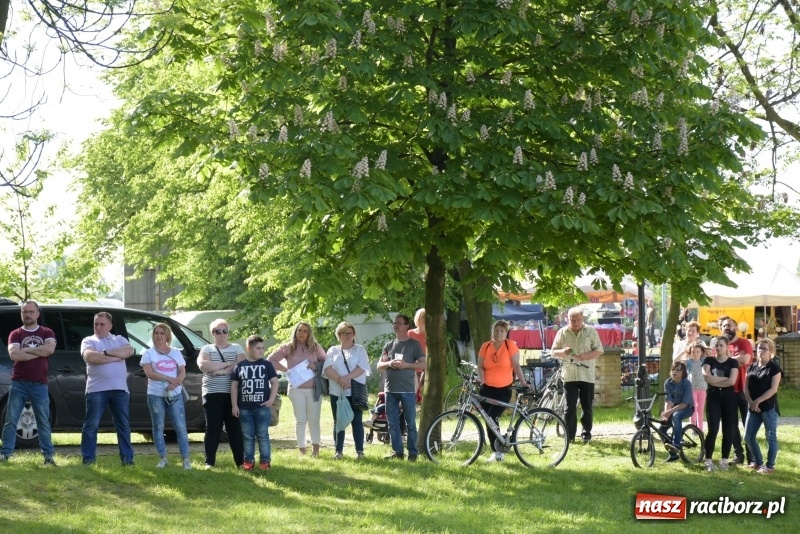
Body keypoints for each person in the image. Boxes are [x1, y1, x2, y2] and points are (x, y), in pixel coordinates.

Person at [0, 301, 57, 465]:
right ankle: (5, 454)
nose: (28, 315)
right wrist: (38, 352)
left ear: (38, 313)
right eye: (25, 312)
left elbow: (49, 350)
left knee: (43, 422)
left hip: (40, 383)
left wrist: (25, 350)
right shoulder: (15, 334)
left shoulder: (47, 332)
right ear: (21, 314)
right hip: (19, 382)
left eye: (31, 312)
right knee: (11, 420)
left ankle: (48, 457)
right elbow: (15, 355)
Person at [80, 311, 136, 466]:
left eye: (102, 324)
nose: (98, 327)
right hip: (96, 389)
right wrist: (117, 357)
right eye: (96, 324)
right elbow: (91, 358)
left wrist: (105, 353)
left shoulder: (119, 339)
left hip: (120, 389)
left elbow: (129, 351)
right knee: (91, 425)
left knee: (123, 425)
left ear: (110, 326)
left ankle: (127, 460)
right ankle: (88, 460)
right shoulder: (88, 341)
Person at [268, 321, 327, 457]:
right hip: (296, 390)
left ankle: (316, 450)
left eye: (305, 331)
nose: (302, 333)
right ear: (295, 332)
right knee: (300, 420)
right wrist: (287, 370)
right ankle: (302, 450)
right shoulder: (288, 347)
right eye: (299, 330)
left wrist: (315, 366)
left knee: (314, 420)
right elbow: (271, 360)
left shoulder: (315, 347)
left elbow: (327, 361)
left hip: (314, 389)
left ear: (309, 333)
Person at [477, 320, 532, 462]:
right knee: (489, 421)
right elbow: (480, 366)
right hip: (486, 390)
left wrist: (524, 382)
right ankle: (497, 450)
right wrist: (481, 379)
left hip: (503, 391)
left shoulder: (510, 346)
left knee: (491, 418)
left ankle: (498, 452)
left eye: (502, 331)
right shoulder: (486, 346)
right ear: (492, 331)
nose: (499, 333)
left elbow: (516, 365)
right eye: (496, 330)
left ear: (506, 332)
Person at [140, 322, 192, 470]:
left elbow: (182, 371)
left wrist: (176, 383)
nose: (159, 336)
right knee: (158, 427)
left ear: (167, 335)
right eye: (156, 333)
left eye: (162, 333)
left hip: (175, 394)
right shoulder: (148, 353)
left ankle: (186, 459)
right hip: (156, 394)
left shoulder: (175, 352)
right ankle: (163, 458)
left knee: (180, 427)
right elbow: (149, 373)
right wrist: (169, 379)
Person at [376, 314, 426, 460]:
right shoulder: (389, 345)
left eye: (399, 323)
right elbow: (379, 366)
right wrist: (389, 364)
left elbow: (423, 364)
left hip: (407, 390)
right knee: (392, 424)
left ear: (406, 326)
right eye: (394, 323)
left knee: (410, 423)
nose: (396, 325)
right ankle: (397, 452)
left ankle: (412, 453)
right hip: (390, 390)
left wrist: (407, 365)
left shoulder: (413, 344)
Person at [551, 307, 604, 443]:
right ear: (567, 319)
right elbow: (553, 351)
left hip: (586, 373)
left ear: (583, 318)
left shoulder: (591, 331)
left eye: (578, 320)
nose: (575, 322)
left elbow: (599, 350)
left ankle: (586, 433)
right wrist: (562, 351)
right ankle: (570, 435)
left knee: (587, 406)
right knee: (570, 407)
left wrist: (584, 356)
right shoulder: (562, 332)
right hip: (569, 374)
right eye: (572, 320)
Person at [197, 318, 245, 469]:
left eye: (225, 331)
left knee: (234, 428)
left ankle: (240, 462)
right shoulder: (207, 349)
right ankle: (209, 462)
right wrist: (227, 364)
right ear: (213, 333)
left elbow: (242, 365)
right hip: (212, 392)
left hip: (233, 394)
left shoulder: (236, 347)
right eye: (218, 331)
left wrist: (220, 371)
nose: (222, 334)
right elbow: (204, 365)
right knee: (213, 428)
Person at [231, 335, 279, 471]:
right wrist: (234, 405)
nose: (261, 351)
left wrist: (271, 399)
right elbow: (234, 386)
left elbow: (274, 382)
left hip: (262, 407)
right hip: (244, 408)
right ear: (249, 349)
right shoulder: (240, 366)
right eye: (258, 348)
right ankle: (248, 461)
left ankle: (265, 461)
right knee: (247, 436)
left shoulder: (266, 365)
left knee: (263, 434)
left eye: (262, 348)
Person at [324, 321, 370, 460]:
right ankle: (338, 451)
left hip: (355, 391)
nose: (347, 335)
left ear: (354, 334)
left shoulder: (359, 349)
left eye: (350, 333)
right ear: (339, 335)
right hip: (337, 392)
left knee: (357, 421)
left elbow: (362, 367)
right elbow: (327, 368)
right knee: (339, 421)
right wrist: (340, 380)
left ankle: (360, 452)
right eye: (344, 333)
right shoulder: (333, 350)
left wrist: (347, 378)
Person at [743, 338, 782, 474]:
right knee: (748, 437)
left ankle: (769, 466)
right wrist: (751, 402)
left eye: (764, 348)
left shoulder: (774, 368)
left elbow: (773, 389)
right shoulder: (751, 366)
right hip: (753, 408)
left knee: (770, 436)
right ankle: (758, 462)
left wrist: (757, 401)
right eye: (759, 348)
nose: (760, 351)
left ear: (770, 351)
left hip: (768, 408)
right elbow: (746, 388)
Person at [702, 336, 739, 471]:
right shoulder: (708, 360)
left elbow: (732, 382)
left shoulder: (733, 363)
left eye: (721, 345)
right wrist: (723, 378)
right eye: (716, 345)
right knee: (713, 429)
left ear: (727, 347)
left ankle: (724, 460)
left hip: (729, 399)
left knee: (727, 430)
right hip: (713, 398)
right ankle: (708, 460)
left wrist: (715, 379)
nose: (718, 348)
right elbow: (706, 377)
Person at [721, 316, 753, 465]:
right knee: (732, 425)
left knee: (748, 424)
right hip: (727, 391)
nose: (726, 327)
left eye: (729, 325)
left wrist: (727, 360)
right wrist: (733, 360)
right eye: (723, 326)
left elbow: (745, 360)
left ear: (736, 327)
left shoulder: (744, 343)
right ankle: (738, 456)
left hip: (745, 391)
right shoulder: (720, 346)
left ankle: (751, 457)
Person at [659, 361, 694, 462]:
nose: (674, 372)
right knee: (661, 429)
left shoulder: (687, 383)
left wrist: (669, 412)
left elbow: (684, 403)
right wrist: (666, 413)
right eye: (673, 369)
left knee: (676, 416)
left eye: (678, 370)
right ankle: (673, 453)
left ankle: (677, 444)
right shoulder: (667, 383)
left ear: (683, 372)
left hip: (687, 407)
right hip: (674, 408)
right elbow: (669, 400)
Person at [675, 340, 708, 431]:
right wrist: (683, 351)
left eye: (698, 352)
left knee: (700, 410)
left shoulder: (704, 361)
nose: (695, 354)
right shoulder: (688, 362)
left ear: (701, 352)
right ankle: (693, 428)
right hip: (692, 389)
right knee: (693, 409)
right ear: (690, 352)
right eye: (693, 352)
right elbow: (676, 360)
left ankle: (700, 429)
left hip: (702, 388)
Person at [407, 308, 427, 402]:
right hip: (412, 364)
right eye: (422, 316)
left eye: (425, 317)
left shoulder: (430, 335)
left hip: (425, 365)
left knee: (422, 389)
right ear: (417, 318)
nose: (423, 319)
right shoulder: (410, 333)